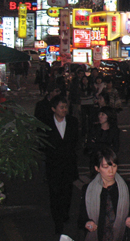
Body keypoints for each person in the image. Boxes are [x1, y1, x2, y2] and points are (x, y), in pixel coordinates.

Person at [43, 98, 79, 234]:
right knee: (54, 193)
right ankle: (57, 219)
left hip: (68, 164)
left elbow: (76, 140)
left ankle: (64, 213)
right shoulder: (47, 123)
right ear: (54, 109)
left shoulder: (72, 122)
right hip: (53, 165)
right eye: (61, 107)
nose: (64, 110)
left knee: (67, 192)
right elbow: (43, 144)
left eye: (65, 107)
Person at [78, 148, 130, 241]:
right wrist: (87, 223)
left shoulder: (125, 188)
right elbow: (81, 218)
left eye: (114, 166)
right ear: (97, 168)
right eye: (106, 167)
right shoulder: (89, 189)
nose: (111, 171)